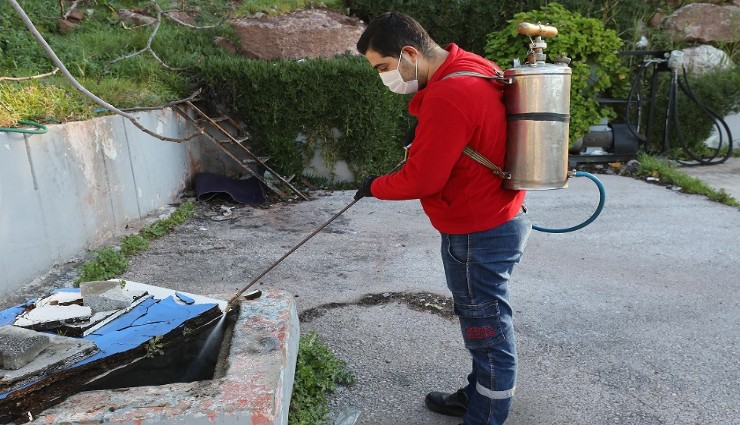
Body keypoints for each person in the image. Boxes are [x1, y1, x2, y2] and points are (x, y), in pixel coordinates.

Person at [353, 12, 532, 425]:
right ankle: (476, 396)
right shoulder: (474, 66)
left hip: (477, 231)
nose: (384, 77)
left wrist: (375, 186)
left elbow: (423, 179)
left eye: (383, 67)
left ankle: (485, 415)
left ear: (409, 54)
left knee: (488, 331)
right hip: (499, 215)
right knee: (481, 319)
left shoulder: (449, 94)